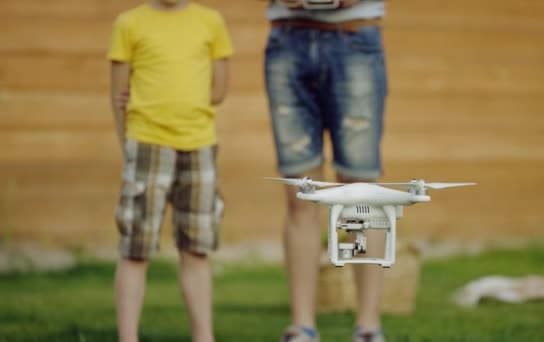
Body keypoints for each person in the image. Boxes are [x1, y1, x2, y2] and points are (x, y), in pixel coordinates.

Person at [107, 0, 233, 341]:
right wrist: (131, 147)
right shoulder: (129, 23)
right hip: (147, 145)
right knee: (136, 247)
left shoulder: (210, 22)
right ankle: (127, 337)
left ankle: (203, 336)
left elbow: (219, 90)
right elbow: (118, 95)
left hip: (199, 146)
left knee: (196, 248)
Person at [263, 1, 388, 341]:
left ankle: (368, 327)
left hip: (354, 36)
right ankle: (303, 327)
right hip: (287, 39)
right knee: (299, 196)